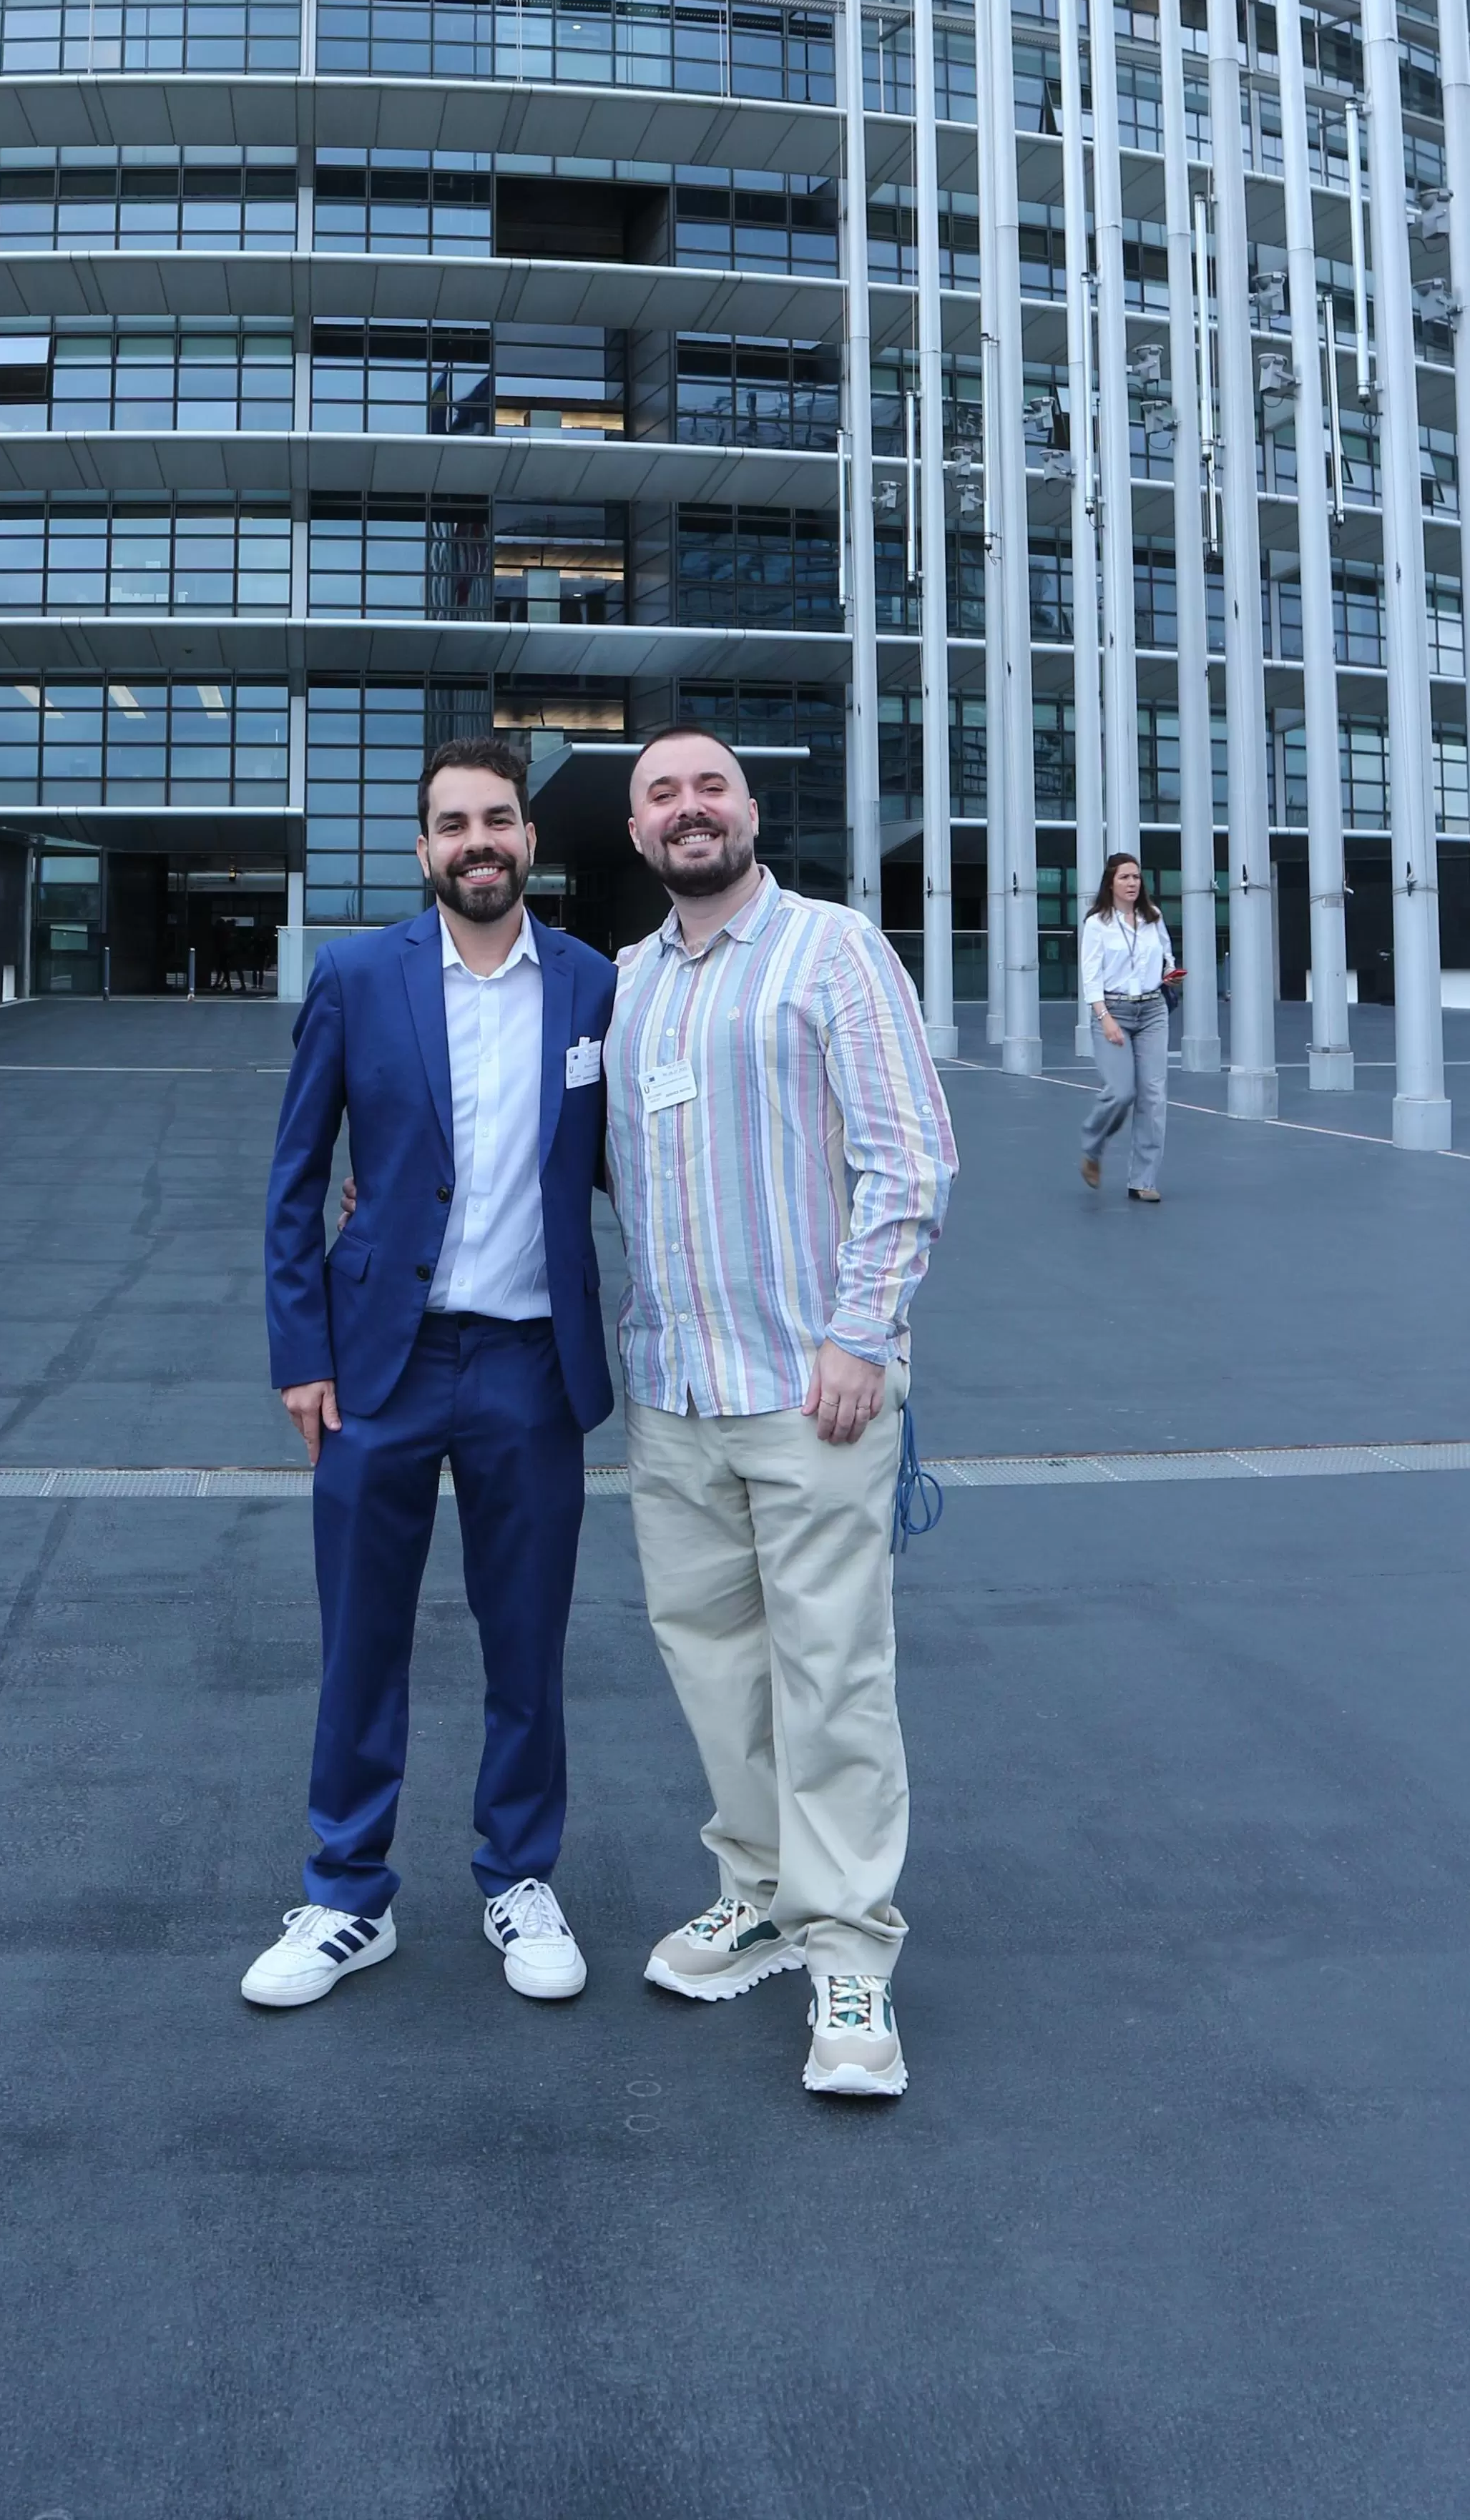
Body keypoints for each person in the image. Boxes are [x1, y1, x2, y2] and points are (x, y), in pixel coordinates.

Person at [604, 726, 955, 2101]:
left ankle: (850, 1943)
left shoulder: (834, 950)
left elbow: (909, 1159)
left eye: (709, 787)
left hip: (813, 1391)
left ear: (750, 811)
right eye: (661, 795)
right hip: (676, 1394)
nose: (689, 810)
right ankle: (754, 1887)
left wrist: (861, 1335)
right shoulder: (629, 984)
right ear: (637, 834)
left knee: (832, 1671)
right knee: (712, 1661)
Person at [246, 734, 617, 2013]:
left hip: (529, 1364)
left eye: (499, 819)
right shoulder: (355, 977)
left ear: (528, 838)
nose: (478, 842)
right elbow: (297, 1179)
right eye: (453, 823)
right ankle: (347, 1894)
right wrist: (301, 1352)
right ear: (423, 849)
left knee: (526, 1644)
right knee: (361, 1640)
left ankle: (519, 1877)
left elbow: (642, 1162)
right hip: (376, 1370)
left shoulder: (591, 988)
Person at [1078, 850, 1176, 1204]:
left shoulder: (1153, 917)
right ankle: (1093, 1145)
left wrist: (1170, 973)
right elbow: (1090, 975)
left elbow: (1166, 954)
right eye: (1125, 877)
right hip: (1113, 1009)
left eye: (1136, 877)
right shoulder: (1096, 924)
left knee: (1153, 1096)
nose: (1132, 883)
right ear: (1111, 882)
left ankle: (1143, 1180)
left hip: (1152, 1010)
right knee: (1121, 1092)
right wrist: (1104, 1018)